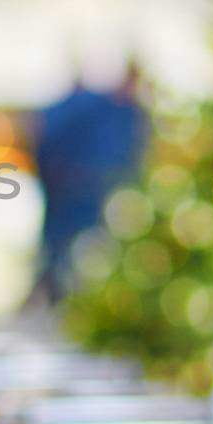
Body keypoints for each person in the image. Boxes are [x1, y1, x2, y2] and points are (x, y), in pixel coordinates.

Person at [34, 56, 148, 298]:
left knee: (73, 251)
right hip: (77, 192)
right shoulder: (97, 110)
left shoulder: (117, 113)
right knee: (68, 251)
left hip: (84, 191)